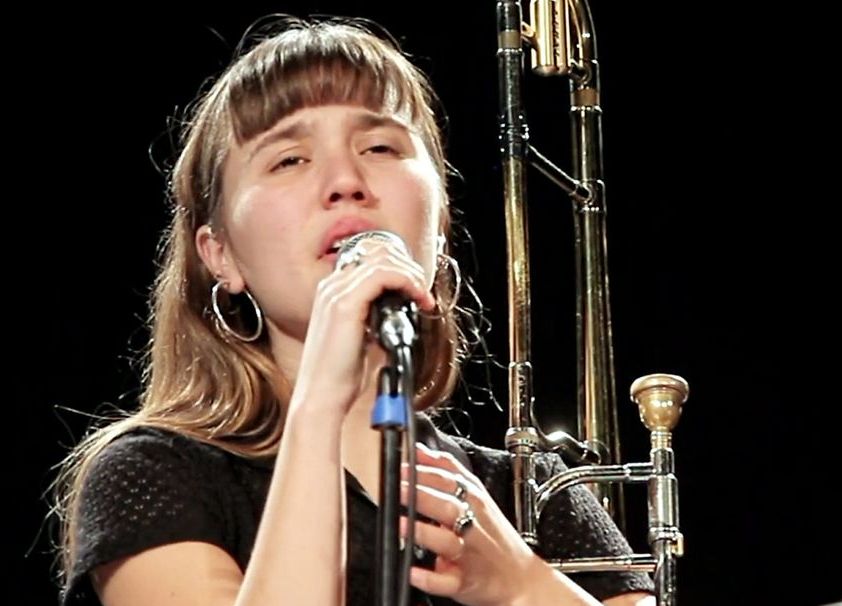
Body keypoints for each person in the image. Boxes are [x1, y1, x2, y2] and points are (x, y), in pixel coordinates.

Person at [54, 15, 655, 606]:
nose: (345, 181)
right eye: (289, 159)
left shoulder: (533, 493)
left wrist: (524, 586)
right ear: (221, 255)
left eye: (380, 146)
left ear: (438, 229)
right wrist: (320, 402)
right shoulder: (154, 473)